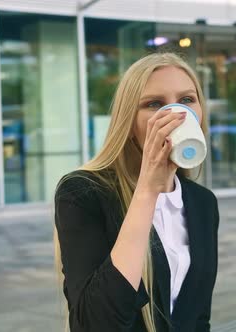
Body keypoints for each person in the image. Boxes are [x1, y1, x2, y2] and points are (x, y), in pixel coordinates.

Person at [54, 52, 219, 332]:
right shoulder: (82, 193)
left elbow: (199, 317)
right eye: (154, 104)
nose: (176, 115)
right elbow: (96, 323)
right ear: (128, 123)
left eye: (187, 100)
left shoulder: (202, 202)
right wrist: (146, 192)